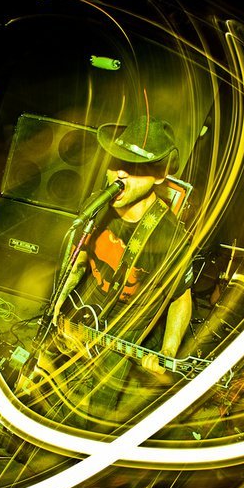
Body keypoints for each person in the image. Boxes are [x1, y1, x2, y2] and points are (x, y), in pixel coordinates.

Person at [42, 114, 194, 430]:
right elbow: (79, 261)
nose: (120, 173)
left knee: (92, 416)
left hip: (123, 330)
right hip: (83, 311)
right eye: (116, 162)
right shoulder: (98, 206)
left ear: (159, 176)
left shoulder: (169, 237)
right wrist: (59, 304)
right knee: (51, 390)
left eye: (135, 167)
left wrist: (168, 350)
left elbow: (180, 299)